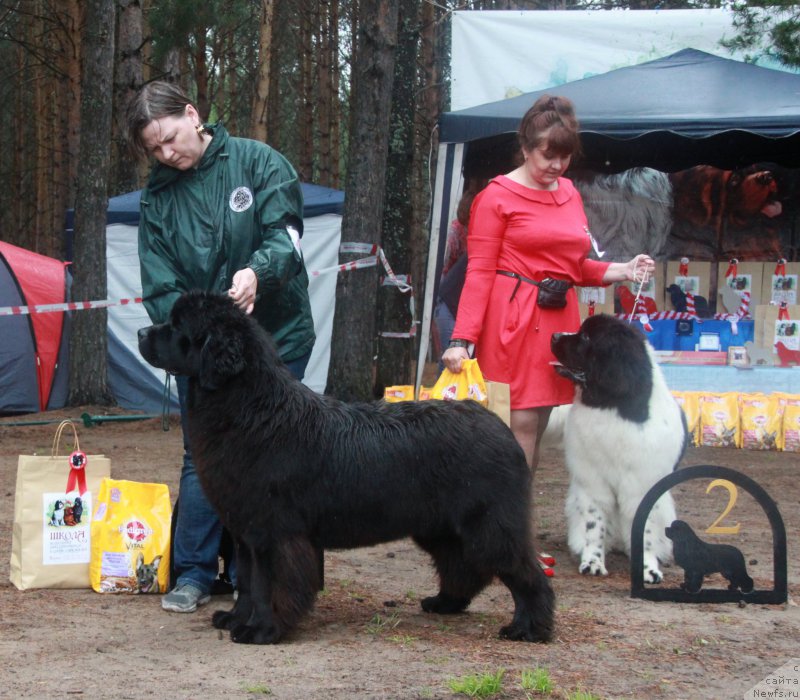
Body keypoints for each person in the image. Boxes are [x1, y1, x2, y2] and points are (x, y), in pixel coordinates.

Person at [441, 95, 654, 572]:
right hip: (512, 317)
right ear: (525, 147)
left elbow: (575, 264)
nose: (555, 165)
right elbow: (478, 271)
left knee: (532, 429)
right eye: (546, 154)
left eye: (564, 155)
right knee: (517, 430)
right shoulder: (495, 196)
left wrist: (621, 269)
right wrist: (462, 338)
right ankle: (508, 541)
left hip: (556, 319)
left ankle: (507, 534)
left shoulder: (569, 193)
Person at [127, 81, 315, 613]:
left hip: (278, 342)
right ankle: (191, 571)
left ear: (192, 115)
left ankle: (250, 572)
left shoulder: (259, 163)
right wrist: (195, 331)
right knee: (202, 457)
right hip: (203, 357)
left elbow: (289, 235)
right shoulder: (158, 197)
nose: (167, 154)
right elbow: (159, 282)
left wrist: (259, 272)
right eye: (154, 149)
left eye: (169, 138)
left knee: (270, 460)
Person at [433, 189, 475, 367]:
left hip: (463, 302)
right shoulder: (455, 231)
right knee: (451, 364)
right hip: (450, 300)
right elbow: (442, 267)